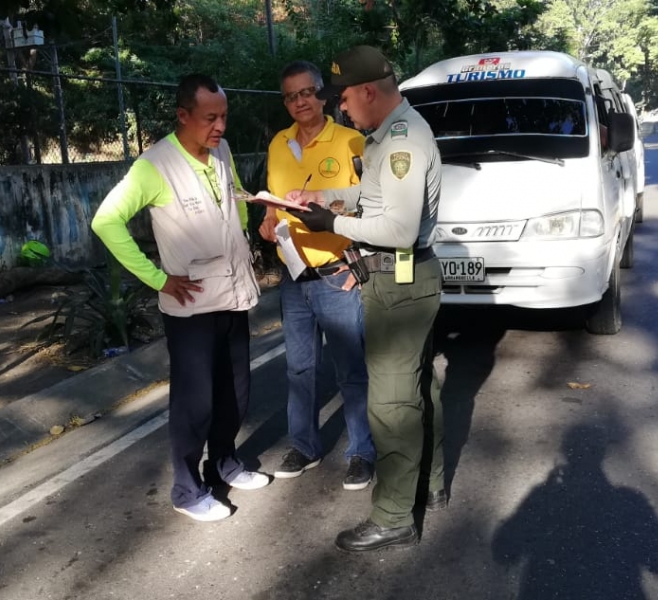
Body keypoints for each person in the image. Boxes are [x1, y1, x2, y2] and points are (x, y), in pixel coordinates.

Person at [286, 46, 445, 552]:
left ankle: (395, 516)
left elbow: (397, 228)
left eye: (343, 97)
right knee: (417, 387)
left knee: (392, 404)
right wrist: (329, 199)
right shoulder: (390, 136)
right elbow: (377, 198)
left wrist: (330, 223)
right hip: (401, 280)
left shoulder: (403, 141)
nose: (340, 108)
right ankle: (430, 485)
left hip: (399, 280)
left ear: (368, 91)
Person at [91, 73, 270, 523]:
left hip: (232, 295)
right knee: (197, 403)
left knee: (236, 394)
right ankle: (187, 490)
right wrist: (156, 278)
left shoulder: (222, 153)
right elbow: (106, 221)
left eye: (224, 116)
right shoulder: (155, 165)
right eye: (210, 118)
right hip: (190, 308)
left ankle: (225, 465)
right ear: (183, 116)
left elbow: (234, 200)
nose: (220, 127)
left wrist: (248, 229)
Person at [258, 61, 375, 490]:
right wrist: (268, 221)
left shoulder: (350, 141)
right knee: (299, 369)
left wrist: (357, 260)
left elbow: (370, 203)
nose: (300, 101)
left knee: (351, 370)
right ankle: (305, 445)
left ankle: (362, 451)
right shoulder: (278, 144)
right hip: (294, 274)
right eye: (291, 95)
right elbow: (273, 202)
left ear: (323, 94)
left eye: (307, 92)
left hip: (338, 272)